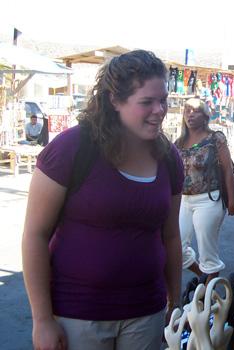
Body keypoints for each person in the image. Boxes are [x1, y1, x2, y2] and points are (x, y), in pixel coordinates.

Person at [21, 50, 184, 350]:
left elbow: (171, 236)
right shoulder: (72, 148)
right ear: (114, 101)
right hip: (78, 315)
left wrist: (175, 301)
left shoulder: (169, 157)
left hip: (146, 311)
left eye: (164, 100)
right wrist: (42, 320)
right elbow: (35, 235)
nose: (160, 110)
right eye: (146, 102)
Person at [175, 98, 234, 283]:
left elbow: (228, 170)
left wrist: (232, 200)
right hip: (183, 201)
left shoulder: (215, 139)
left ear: (205, 116)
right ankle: (202, 277)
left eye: (195, 111)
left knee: (207, 251)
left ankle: (209, 297)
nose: (190, 114)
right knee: (176, 247)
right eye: (187, 110)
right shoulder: (179, 142)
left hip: (209, 200)